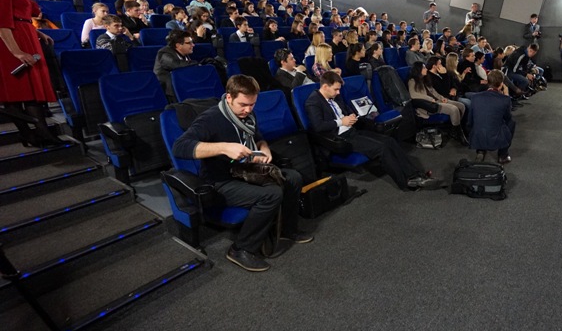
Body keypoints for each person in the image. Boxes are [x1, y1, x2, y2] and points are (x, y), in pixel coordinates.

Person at [172, 75, 309, 272]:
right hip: (221, 180)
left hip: (247, 171)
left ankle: (287, 230)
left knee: (293, 178)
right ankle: (241, 248)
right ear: (229, 98)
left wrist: (264, 149)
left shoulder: (248, 115)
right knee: (272, 194)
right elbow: (180, 147)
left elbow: (258, 138)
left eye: (252, 104)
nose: (248, 110)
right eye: (243, 104)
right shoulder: (210, 119)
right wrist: (224, 148)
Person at [305, 71, 444, 190]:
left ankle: (416, 174)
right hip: (340, 139)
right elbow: (318, 126)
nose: (338, 92)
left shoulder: (335, 97)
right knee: (382, 148)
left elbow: (346, 110)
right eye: (335, 89)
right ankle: (406, 182)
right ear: (324, 86)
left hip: (352, 131)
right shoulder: (313, 101)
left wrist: (351, 116)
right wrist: (341, 121)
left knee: (389, 141)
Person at [0, 0, 63, 148]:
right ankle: (32, 133)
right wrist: (16, 51)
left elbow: (17, 13)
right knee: (18, 88)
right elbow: (2, 20)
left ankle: (37, 133)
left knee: (30, 87)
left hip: (23, 32)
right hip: (11, 39)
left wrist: (35, 31)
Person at [407, 62, 467, 143]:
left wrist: (442, 98)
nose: (426, 69)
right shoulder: (412, 81)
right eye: (424, 68)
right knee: (454, 109)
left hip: (436, 100)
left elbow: (434, 92)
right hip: (428, 105)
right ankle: (458, 133)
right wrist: (429, 99)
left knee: (461, 106)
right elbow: (413, 95)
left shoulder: (424, 79)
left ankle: (454, 129)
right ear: (418, 70)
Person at [469, 70, 515, 164]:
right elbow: (507, 118)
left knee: (479, 120)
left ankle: (480, 150)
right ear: (501, 84)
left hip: (477, 135)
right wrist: (506, 95)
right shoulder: (505, 100)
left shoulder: (475, 97)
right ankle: (503, 155)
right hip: (495, 137)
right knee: (512, 123)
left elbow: (470, 121)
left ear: (488, 82)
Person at [154, 30, 198, 102]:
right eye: (189, 43)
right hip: (168, 92)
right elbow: (175, 64)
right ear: (178, 45)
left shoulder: (184, 53)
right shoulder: (164, 53)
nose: (193, 45)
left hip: (183, 85)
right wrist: (196, 63)